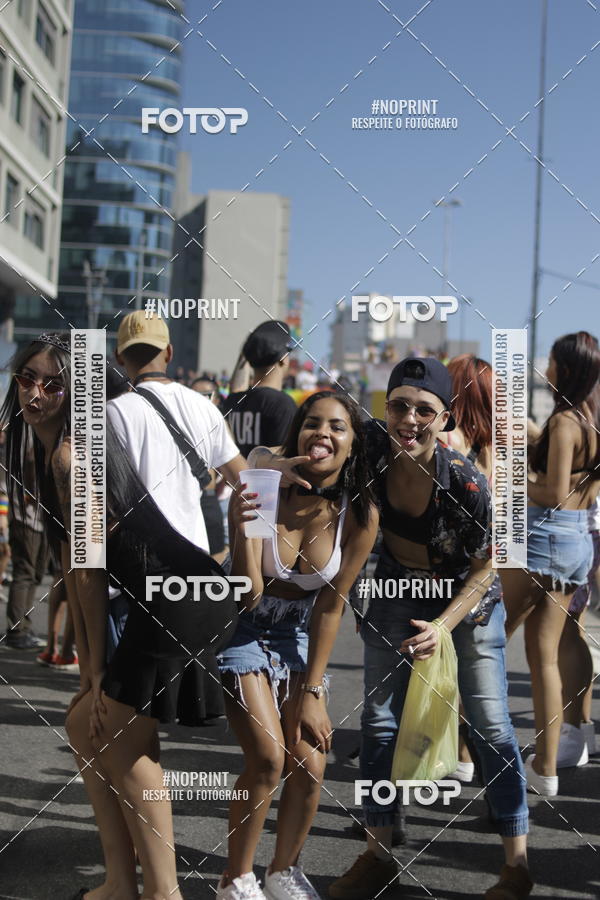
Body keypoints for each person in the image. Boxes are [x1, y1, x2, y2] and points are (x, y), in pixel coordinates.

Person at [2, 331, 240, 900]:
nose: (37, 393)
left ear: (77, 389)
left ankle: (162, 892)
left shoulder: (71, 453)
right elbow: (71, 562)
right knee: (87, 726)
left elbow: (87, 575)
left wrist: (92, 672)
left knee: (114, 738)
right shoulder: (46, 447)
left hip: (182, 597)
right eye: (26, 379)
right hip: (174, 595)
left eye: (54, 383)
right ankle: (120, 882)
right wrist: (88, 675)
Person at [330, 358, 531, 900]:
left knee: (489, 721)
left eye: (425, 410)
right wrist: (265, 464)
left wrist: (443, 625)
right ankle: (378, 852)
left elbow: (492, 561)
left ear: (444, 420)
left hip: (468, 600)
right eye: (399, 405)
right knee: (377, 719)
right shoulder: (369, 445)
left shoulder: (465, 481)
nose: (409, 419)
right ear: (385, 407)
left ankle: (516, 866)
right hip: (397, 587)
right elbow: (299, 450)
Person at [216, 391, 379, 900]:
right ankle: (235, 879)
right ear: (298, 431)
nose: (322, 434)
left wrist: (312, 691)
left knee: (311, 762)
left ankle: (282, 871)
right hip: (240, 622)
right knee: (267, 758)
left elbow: (332, 607)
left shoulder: (360, 512)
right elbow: (249, 591)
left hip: (297, 632)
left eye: (337, 426)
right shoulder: (265, 482)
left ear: (353, 444)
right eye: (312, 423)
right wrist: (246, 523)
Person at [502, 331, 600, 796]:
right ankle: (546, 769)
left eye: (553, 361)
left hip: (546, 539)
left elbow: (554, 494)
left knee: (489, 640)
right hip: (578, 540)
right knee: (544, 655)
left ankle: (463, 748)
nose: (547, 367)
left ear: (565, 368)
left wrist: (509, 482)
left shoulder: (564, 422)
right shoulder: (590, 419)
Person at [108, 310, 247, 553]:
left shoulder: (109, 414)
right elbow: (248, 482)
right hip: (192, 566)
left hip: (133, 569)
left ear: (118, 356)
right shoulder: (206, 407)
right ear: (169, 353)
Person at [221, 321, 298, 460]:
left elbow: (237, 387)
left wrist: (248, 351)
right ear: (283, 359)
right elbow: (287, 459)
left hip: (233, 480)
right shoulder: (283, 405)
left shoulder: (233, 402)